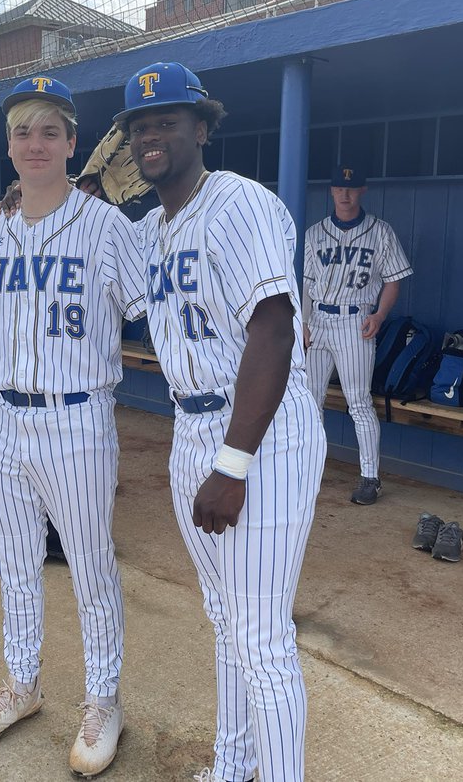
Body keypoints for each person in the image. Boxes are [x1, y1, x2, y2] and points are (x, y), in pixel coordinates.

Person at [116, 62, 326, 782]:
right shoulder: (152, 230)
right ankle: (233, 766)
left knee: (262, 637)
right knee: (226, 619)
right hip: (191, 427)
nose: (151, 134)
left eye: (166, 120)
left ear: (201, 128)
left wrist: (232, 465)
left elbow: (273, 331)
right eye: (139, 125)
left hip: (258, 436)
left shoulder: (239, 204)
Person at [0, 75, 147, 778]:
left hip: (77, 418)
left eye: (49, 131)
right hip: (4, 417)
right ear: (8, 146)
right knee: (14, 566)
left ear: (72, 143)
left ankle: (103, 701)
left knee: (91, 568)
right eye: (22, 132)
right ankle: (23, 686)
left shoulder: (108, 227)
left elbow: (152, 305)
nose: (34, 143)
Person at [302, 165, 412, 505]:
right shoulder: (315, 233)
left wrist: (379, 314)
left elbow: (394, 278)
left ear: (362, 190)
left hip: (355, 320)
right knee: (309, 403)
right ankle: (306, 470)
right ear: (332, 191)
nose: (345, 194)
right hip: (318, 319)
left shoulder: (380, 231)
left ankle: (369, 477)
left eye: (351, 188)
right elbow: (306, 283)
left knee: (359, 403)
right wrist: (303, 322)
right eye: (339, 188)